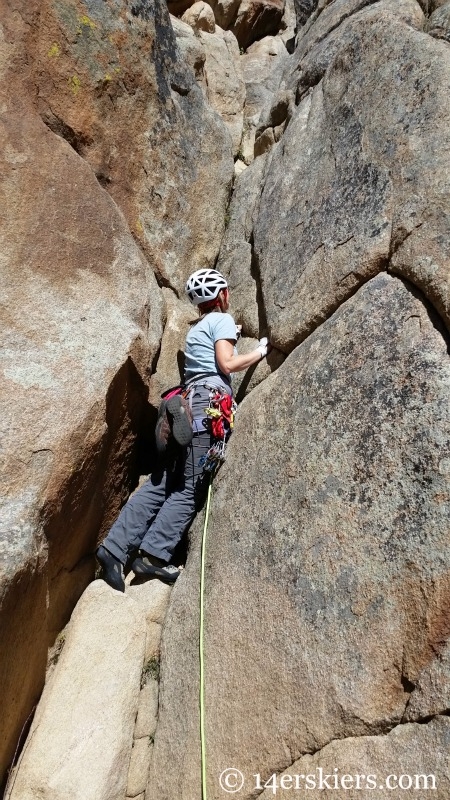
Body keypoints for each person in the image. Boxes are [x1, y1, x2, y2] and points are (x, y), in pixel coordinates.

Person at [96, 268, 270, 592]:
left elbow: (210, 353)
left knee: (160, 483)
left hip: (184, 408)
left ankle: (113, 549)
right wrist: (259, 351)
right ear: (222, 296)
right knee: (190, 488)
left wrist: (230, 332)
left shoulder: (197, 330)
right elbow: (226, 365)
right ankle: (153, 556)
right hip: (209, 408)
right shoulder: (221, 321)